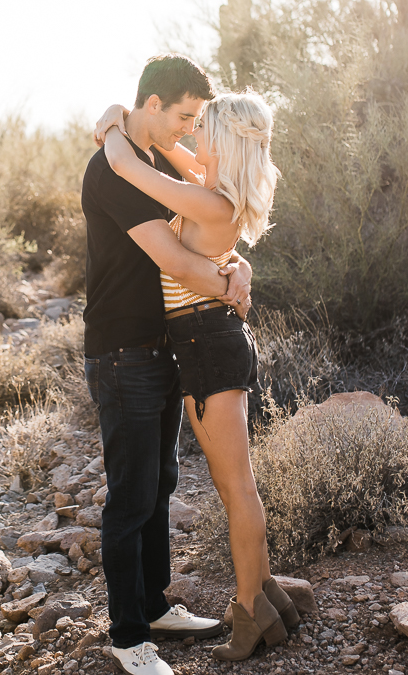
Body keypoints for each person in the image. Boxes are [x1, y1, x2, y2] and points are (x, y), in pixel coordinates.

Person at [93, 87, 299, 662]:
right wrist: (121, 114)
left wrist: (110, 125)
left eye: (201, 126)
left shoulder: (211, 202)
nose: (191, 134)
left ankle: (250, 609)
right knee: (239, 486)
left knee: (237, 488)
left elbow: (123, 165)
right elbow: (164, 154)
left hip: (205, 343)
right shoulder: (213, 187)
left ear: (224, 138)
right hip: (206, 342)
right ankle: (267, 597)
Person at [81, 55, 254, 675]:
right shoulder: (113, 171)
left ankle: (152, 607)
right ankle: (129, 639)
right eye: (184, 116)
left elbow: (212, 209)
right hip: (123, 350)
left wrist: (238, 266)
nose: (189, 128)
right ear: (153, 105)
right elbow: (174, 261)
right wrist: (229, 284)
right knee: (130, 498)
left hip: (160, 346)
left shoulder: (149, 157)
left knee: (160, 488)